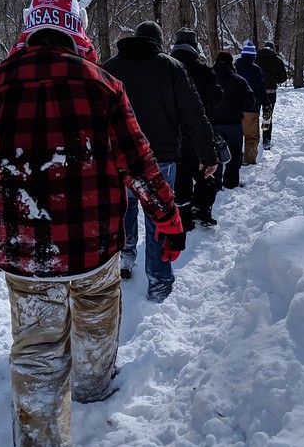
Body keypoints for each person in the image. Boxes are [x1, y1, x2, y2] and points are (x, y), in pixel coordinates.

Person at [0, 0, 185, 447]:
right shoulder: (102, 85)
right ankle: (93, 386)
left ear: (30, 28)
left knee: (36, 354)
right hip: (92, 248)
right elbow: (139, 163)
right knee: (97, 319)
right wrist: (166, 218)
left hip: (24, 252)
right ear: (75, 28)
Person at [103, 21, 217, 301]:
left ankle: (126, 256)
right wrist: (208, 155)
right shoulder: (171, 68)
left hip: (119, 159)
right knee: (159, 218)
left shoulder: (109, 68)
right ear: (159, 42)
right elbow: (193, 114)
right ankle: (159, 282)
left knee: (125, 210)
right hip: (160, 159)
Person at [170, 27, 224, 230]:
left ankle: (183, 215)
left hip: (172, 133)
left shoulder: (166, 66)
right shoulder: (203, 69)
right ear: (194, 45)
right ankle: (201, 209)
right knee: (206, 173)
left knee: (180, 175)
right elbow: (217, 98)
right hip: (198, 131)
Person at [192, 51, 255, 223]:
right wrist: (240, 107)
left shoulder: (208, 78)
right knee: (235, 154)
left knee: (216, 157)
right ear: (230, 63)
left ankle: (216, 185)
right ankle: (231, 184)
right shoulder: (238, 80)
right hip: (234, 124)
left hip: (212, 125)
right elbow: (251, 101)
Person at [234, 40, 272, 165]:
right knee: (251, 137)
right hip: (250, 108)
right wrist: (266, 103)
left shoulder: (234, 68)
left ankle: (233, 160)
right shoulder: (255, 69)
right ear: (253, 56)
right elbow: (260, 89)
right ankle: (248, 161)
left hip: (234, 108)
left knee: (234, 136)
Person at [255, 41, 287, 149]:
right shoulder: (277, 60)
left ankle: (253, 140)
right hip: (270, 93)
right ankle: (266, 141)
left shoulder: (256, 58)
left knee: (254, 116)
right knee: (267, 117)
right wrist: (274, 80)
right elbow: (283, 78)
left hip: (256, 92)